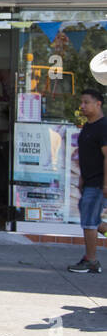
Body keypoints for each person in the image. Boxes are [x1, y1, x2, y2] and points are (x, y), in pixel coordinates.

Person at [69, 88, 107, 274]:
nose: (82, 106)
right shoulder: (88, 126)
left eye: (86, 102)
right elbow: (86, 156)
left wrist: (106, 184)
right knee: (91, 219)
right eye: (81, 102)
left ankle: (91, 261)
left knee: (89, 223)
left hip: (99, 183)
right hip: (89, 181)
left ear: (98, 104)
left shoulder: (103, 126)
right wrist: (82, 179)